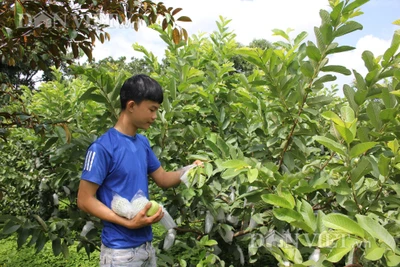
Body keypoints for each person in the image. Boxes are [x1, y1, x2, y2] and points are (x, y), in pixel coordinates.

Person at [77, 74, 202, 267]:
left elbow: (163, 178)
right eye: (152, 110)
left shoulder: (142, 143)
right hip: (119, 252)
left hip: (146, 247)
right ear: (131, 105)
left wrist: (191, 169)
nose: (154, 117)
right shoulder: (102, 148)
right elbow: (85, 200)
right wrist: (127, 223)